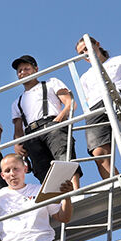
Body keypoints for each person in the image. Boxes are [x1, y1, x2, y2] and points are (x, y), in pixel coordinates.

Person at [75, 36, 121, 178]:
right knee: (98, 152)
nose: (85, 53)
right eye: (81, 53)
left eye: (87, 48)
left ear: (97, 44)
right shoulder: (84, 77)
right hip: (96, 107)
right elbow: (87, 99)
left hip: (118, 97)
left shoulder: (119, 60)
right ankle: (119, 185)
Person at [9, 55, 81, 193]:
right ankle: (55, 199)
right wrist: (17, 143)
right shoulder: (17, 102)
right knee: (41, 168)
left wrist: (58, 120)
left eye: (26, 69)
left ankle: (75, 192)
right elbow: (18, 128)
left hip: (51, 124)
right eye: (19, 71)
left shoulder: (51, 83)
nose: (23, 72)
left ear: (36, 69)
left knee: (64, 156)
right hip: (31, 135)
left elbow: (70, 103)